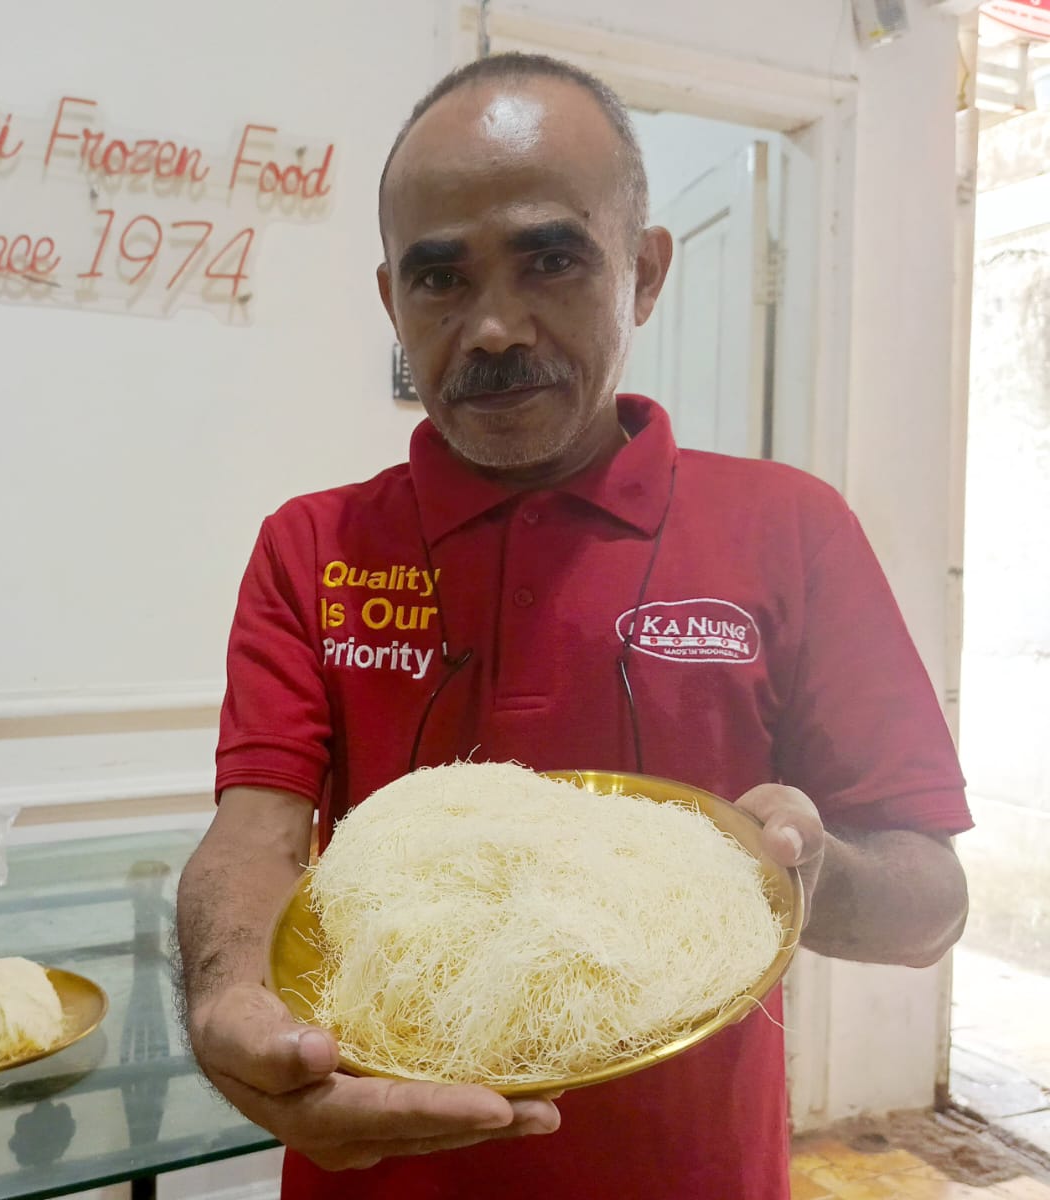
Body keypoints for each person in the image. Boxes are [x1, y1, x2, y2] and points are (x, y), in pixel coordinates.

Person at [175, 52, 972, 1200]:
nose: (494, 326)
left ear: (643, 273)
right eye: (439, 278)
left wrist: (804, 875)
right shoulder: (313, 546)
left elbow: (928, 906)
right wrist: (227, 1000)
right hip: (377, 1165)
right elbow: (256, 836)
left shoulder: (791, 528)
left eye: (550, 259)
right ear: (391, 297)